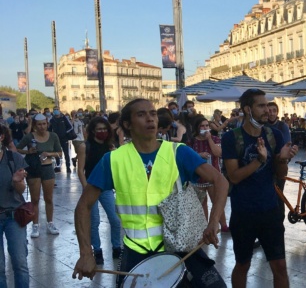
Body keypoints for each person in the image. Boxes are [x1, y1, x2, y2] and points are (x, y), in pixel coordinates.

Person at [72, 99, 228, 287]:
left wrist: (213, 221)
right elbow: (83, 206)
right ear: (127, 125)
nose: (150, 119)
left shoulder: (178, 152)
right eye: (141, 114)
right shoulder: (113, 160)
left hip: (180, 246)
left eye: (153, 114)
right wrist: (85, 253)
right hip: (136, 251)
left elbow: (220, 181)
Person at [222, 89, 298, 288]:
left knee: (280, 265)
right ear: (248, 109)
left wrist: (282, 158)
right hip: (243, 212)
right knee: (242, 264)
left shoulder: (275, 135)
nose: (267, 110)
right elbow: (234, 177)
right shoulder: (231, 138)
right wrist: (259, 160)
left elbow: (280, 174)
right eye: (261, 106)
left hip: (270, 209)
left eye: (268, 105)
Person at [77, 117, 122, 265]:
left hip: (106, 188)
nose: (102, 132)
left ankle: (116, 247)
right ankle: (97, 250)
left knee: (115, 219)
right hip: (91, 187)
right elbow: (81, 170)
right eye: (99, 129)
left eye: (104, 129)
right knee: (94, 221)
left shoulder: (110, 146)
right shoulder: (85, 146)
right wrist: (85, 188)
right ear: (92, 131)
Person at [16, 114, 62, 238]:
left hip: (47, 168)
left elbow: (60, 153)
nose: (42, 127)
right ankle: (35, 225)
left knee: (49, 198)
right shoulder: (29, 137)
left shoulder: (53, 136)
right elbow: (17, 148)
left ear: (47, 124)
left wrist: (49, 154)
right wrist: (28, 152)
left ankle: (50, 222)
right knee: (35, 199)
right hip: (34, 169)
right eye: (39, 124)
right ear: (35, 126)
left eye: (44, 124)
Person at [0, 125, 30, 288]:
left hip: (13, 216)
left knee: (20, 263)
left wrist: (17, 181)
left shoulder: (14, 158)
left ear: (2, 137)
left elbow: (21, 190)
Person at [189, 117, 229, 232]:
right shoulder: (191, 141)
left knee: (217, 201)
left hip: (213, 176)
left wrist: (209, 139)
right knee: (202, 204)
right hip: (197, 177)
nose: (205, 128)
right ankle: (204, 226)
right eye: (202, 126)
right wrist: (199, 155)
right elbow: (188, 157)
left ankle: (223, 225)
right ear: (197, 127)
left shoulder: (215, 139)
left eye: (207, 125)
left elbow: (218, 153)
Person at [49, 107, 73, 173]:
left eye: (57, 109)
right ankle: (58, 166)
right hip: (56, 139)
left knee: (66, 153)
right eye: (55, 109)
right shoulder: (52, 120)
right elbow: (49, 129)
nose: (56, 111)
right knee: (57, 153)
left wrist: (65, 132)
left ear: (59, 110)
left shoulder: (64, 118)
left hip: (64, 138)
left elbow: (70, 127)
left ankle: (68, 167)